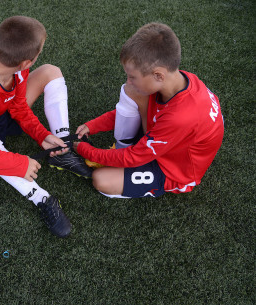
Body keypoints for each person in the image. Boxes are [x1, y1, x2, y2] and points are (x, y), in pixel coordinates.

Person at [0, 16, 92, 237]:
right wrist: (16, 163)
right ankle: (41, 198)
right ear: (27, 61)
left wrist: (41, 135)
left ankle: (61, 149)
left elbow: (19, 107)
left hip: (4, 110)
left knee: (50, 71)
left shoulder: (16, 68)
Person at [72, 23, 224, 198]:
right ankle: (127, 146)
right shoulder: (177, 80)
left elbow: (134, 157)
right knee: (133, 91)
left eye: (132, 76)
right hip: (166, 138)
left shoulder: (181, 117)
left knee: (102, 180)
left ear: (158, 75)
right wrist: (93, 126)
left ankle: (127, 152)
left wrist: (86, 150)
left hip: (174, 171)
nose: (128, 80)